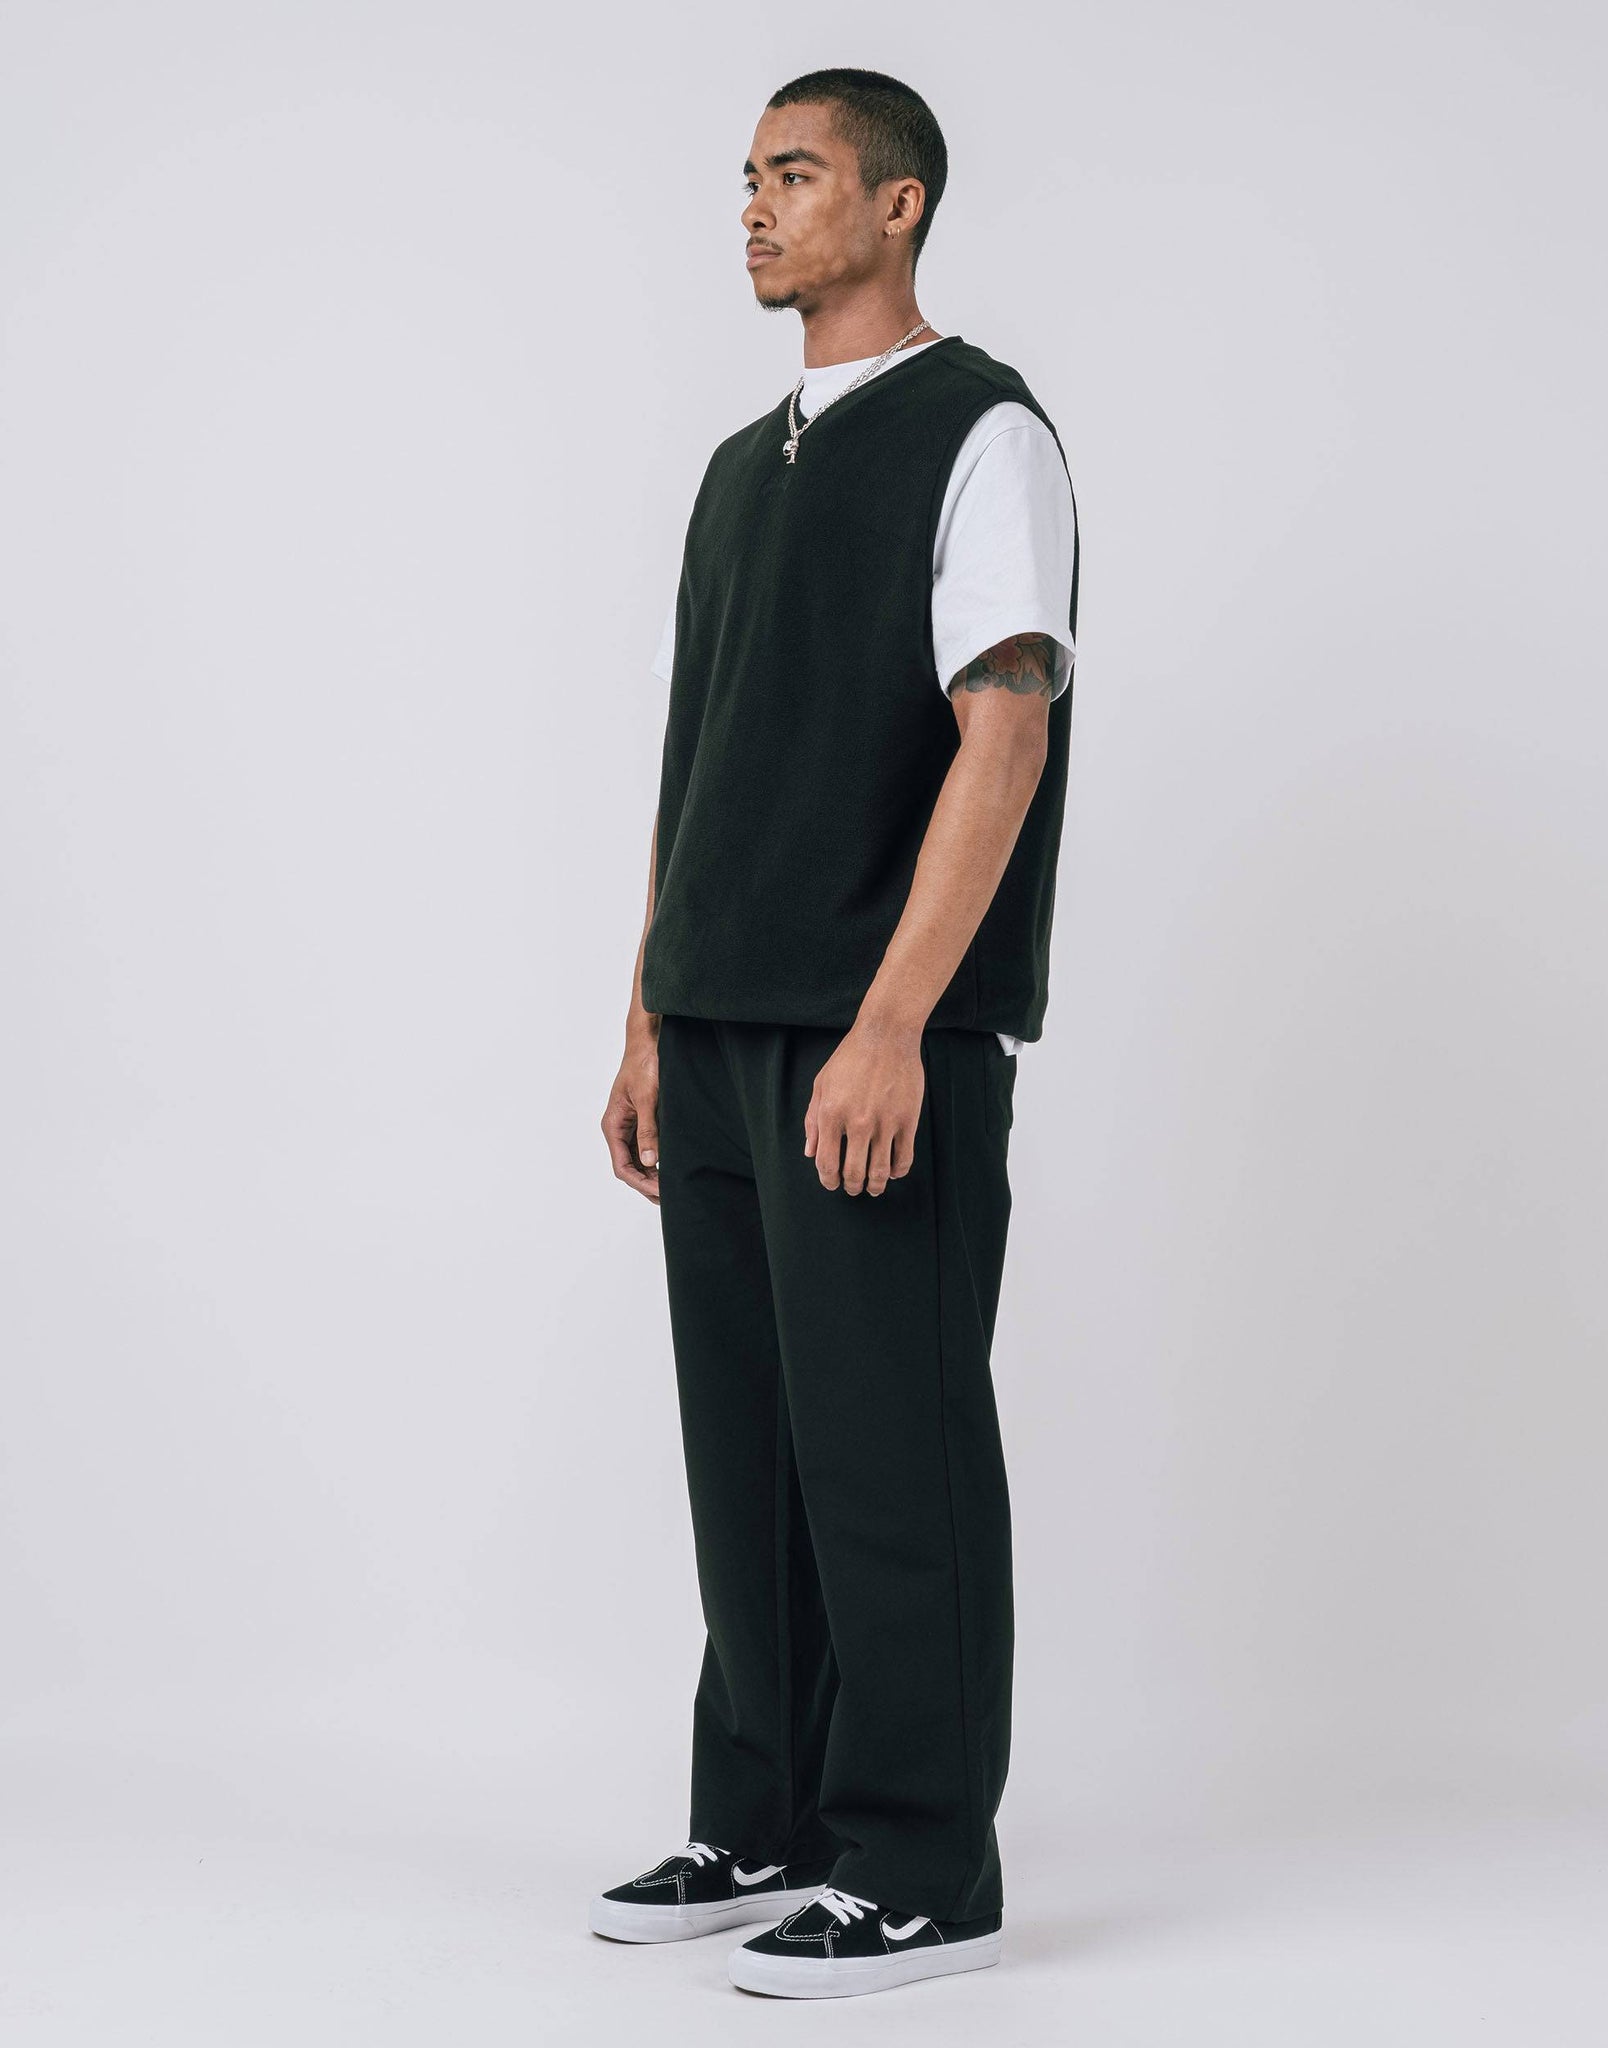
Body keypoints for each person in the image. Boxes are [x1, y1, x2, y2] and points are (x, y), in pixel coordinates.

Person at [594, 65, 1078, 2001]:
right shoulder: (739, 468)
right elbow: (694, 756)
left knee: (891, 1451)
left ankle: (923, 1862)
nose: (753, 206)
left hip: (876, 1039)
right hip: (718, 1024)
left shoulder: (982, 430)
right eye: (746, 177)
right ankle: (767, 1814)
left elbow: (1004, 734)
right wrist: (647, 1011)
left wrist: (895, 1022)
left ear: (897, 205)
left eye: (793, 174)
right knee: (750, 1452)